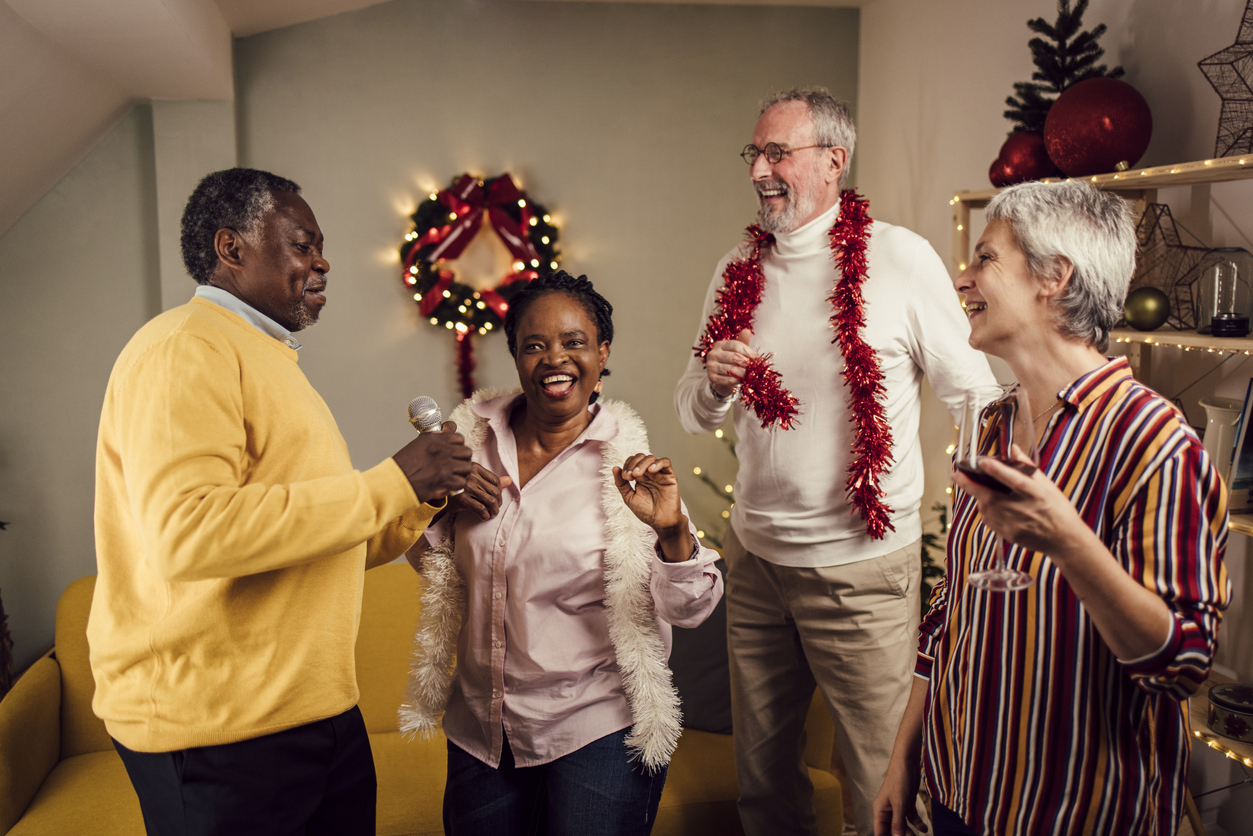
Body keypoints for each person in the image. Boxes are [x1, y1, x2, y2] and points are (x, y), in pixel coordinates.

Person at [89, 167, 473, 836]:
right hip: (218, 732)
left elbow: (313, 544)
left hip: (313, 716)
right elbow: (190, 535)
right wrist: (393, 481)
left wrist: (426, 502)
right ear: (231, 247)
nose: (322, 262)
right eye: (303, 243)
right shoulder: (186, 348)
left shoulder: (268, 359)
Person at [674, 87, 1002, 836]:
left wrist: (989, 508)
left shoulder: (899, 258)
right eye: (752, 153)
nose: (758, 168)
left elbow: (975, 391)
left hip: (862, 573)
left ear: (833, 160)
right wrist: (714, 384)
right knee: (762, 788)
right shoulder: (736, 270)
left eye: (776, 152)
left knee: (881, 789)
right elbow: (689, 408)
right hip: (754, 567)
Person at [872, 180, 1232, 836]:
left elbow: (1182, 665)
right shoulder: (991, 425)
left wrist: (1069, 543)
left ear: (1053, 277)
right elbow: (950, 608)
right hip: (959, 791)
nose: (961, 279)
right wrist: (904, 756)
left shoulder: (1153, 440)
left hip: (1072, 814)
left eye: (984, 258)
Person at [400, 271, 724, 836]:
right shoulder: (471, 443)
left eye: (575, 342)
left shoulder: (627, 466)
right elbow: (429, 562)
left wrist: (672, 530)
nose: (555, 358)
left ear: (602, 355)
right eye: (535, 344)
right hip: (483, 731)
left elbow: (691, 608)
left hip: (595, 728)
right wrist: (435, 500)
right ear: (517, 357)